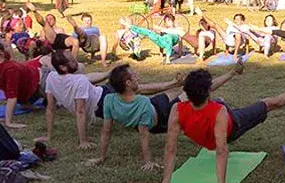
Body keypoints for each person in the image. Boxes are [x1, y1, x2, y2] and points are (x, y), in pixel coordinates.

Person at [157, 72, 285, 183]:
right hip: (235, 126)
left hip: (222, 120)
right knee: (271, 103)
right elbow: (221, 149)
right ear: (208, 92)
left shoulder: (177, 109)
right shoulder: (218, 111)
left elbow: (170, 148)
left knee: (230, 106)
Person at [89, 64, 221, 171]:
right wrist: (148, 162)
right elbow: (144, 135)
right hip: (164, 115)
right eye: (134, 76)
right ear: (128, 83)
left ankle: (206, 94)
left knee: (177, 91)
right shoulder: (141, 103)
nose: (138, 77)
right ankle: (227, 79)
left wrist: (101, 157)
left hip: (155, 105)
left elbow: (106, 132)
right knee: (194, 90)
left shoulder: (109, 99)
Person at [42, 50, 114, 148]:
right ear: (62, 67)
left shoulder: (51, 77)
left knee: (132, 87)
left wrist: (49, 136)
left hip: (101, 93)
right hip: (104, 100)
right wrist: (83, 141)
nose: (76, 62)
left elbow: (50, 108)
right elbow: (80, 111)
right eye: (72, 61)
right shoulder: (79, 80)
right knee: (132, 89)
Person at [0, 39, 43, 129]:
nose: (9, 48)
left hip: (38, 79)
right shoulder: (8, 69)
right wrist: (8, 122)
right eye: (7, 46)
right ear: (1, 52)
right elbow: (7, 96)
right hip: (37, 84)